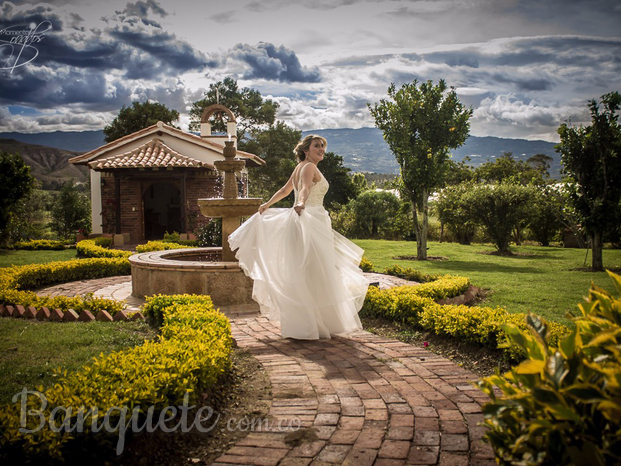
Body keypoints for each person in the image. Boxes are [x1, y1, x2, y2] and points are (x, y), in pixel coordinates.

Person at [228, 135, 369, 339]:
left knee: (306, 271)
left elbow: (285, 190)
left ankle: (308, 323)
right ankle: (315, 324)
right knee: (316, 270)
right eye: (316, 146)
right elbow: (304, 189)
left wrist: (268, 204)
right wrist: (301, 202)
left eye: (322, 146)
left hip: (307, 219)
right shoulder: (309, 167)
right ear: (306, 150)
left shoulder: (301, 166)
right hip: (310, 219)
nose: (321, 149)